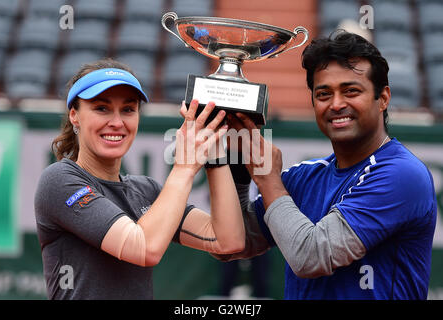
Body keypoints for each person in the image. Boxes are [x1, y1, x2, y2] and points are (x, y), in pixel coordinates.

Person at [214, 31, 438, 300]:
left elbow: (312, 257)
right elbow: (229, 244)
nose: (336, 104)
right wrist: (237, 158)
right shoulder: (304, 177)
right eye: (323, 94)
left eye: (351, 91)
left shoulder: (402, 174)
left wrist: (267, 179)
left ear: (384, 98)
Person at [34, 58, 245, 299]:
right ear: (74, 115)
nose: (117, 122)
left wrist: (214, 148)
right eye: (101, 108)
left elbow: (228, 241)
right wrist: (185, 167)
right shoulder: (59, 179)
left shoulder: (146, 190)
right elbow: (144, 249)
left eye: (128, 109)